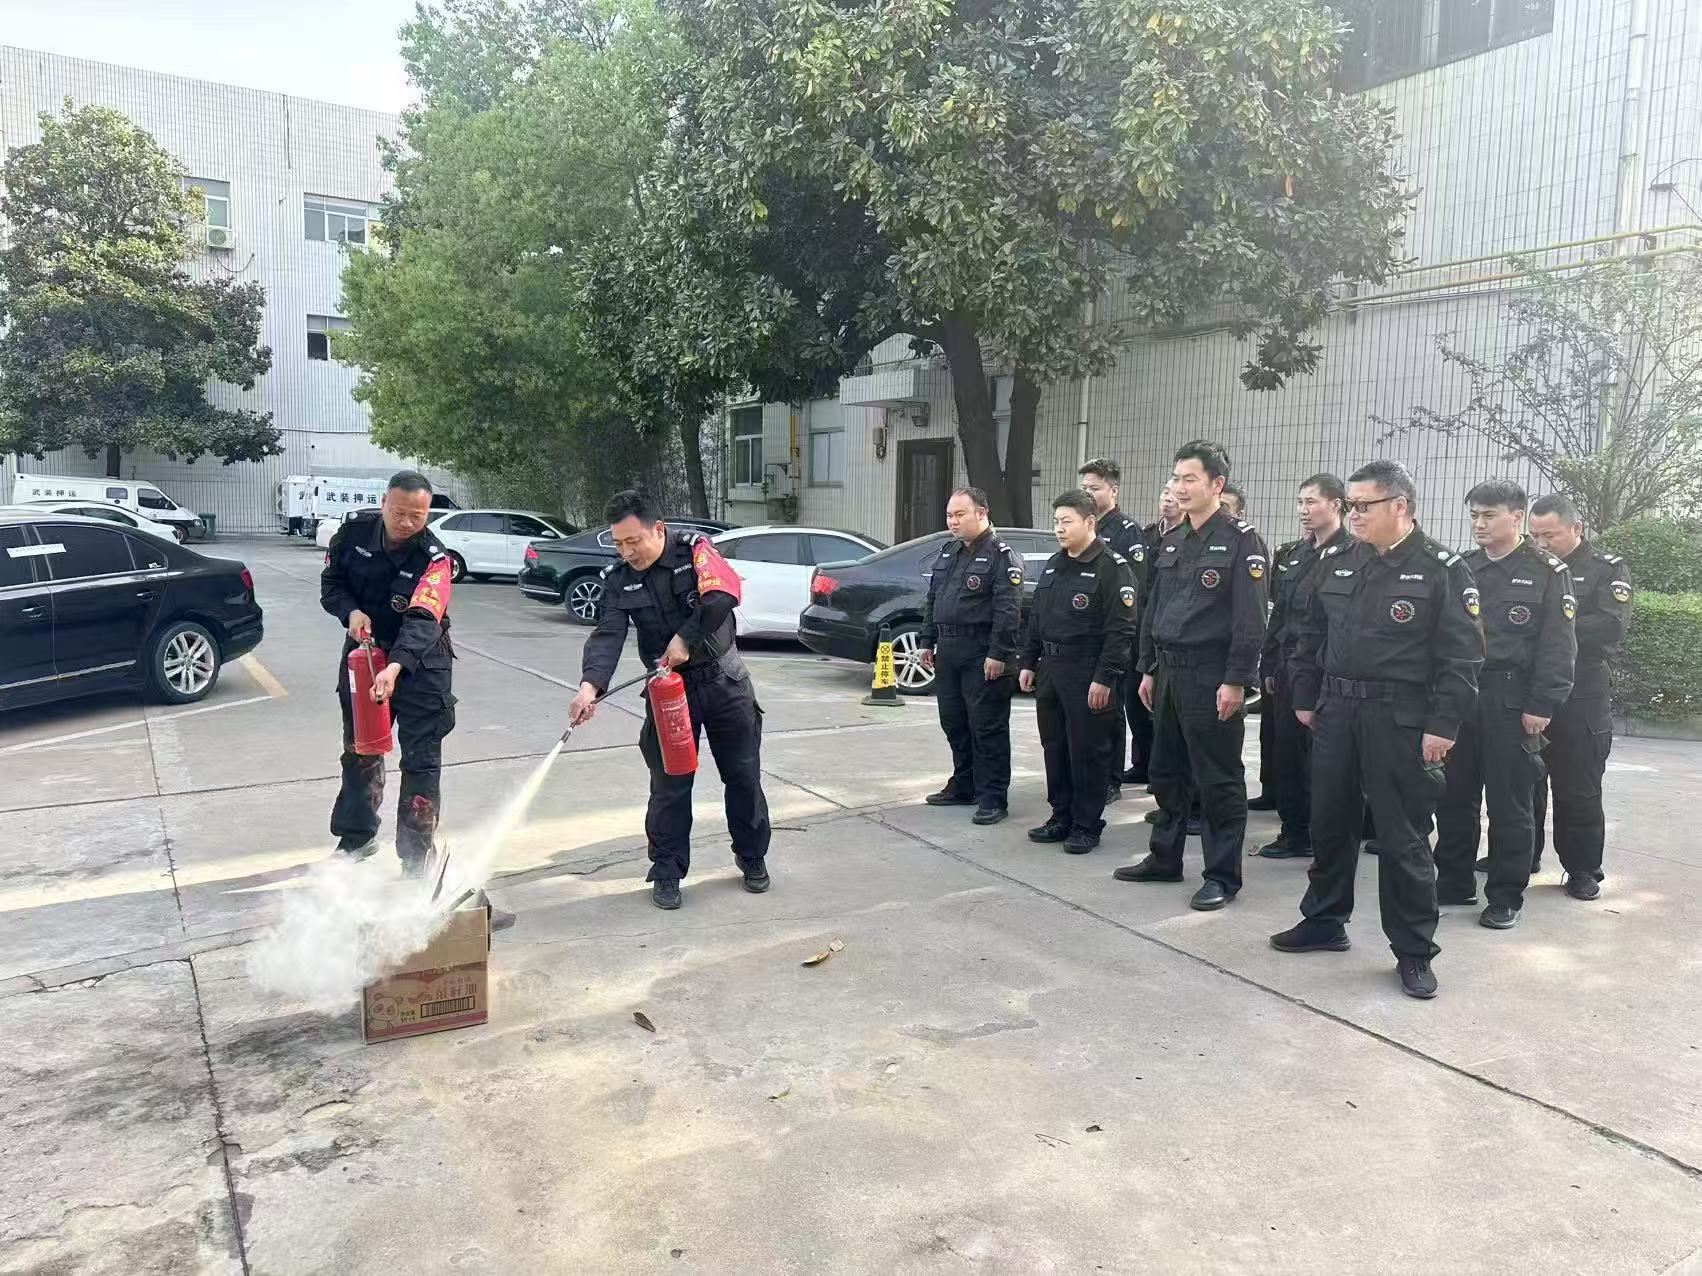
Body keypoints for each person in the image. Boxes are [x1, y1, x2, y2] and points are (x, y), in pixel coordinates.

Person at [1270, 460, 1482, 999]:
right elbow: (1309, 632)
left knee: (1402, 837)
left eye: (1363, 505)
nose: (1353, 514)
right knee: (1329, 822)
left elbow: (1462, 657)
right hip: (1337, 712)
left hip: (1401, 717)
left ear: (1400, 506)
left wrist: (1443, 724)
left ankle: (1414, 950)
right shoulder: (1339, 560)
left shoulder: (1441, 568)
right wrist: (1305, 696)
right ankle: (1324, 920)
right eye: (1350, 505)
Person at [569, 490, 771, 910]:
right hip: (669, 694)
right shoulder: (619, 578)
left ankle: (752, 856)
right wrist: (590, 686)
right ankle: (667, 870)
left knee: (743, 776)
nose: (627, 552)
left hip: (724, 683)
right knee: (669, 785)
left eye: (634, 541)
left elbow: (722, 595)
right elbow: (608, 634)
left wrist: (685, 638)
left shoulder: (694, 551)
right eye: (619, 544)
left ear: (657, 529)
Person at [1114, 440, 1269, 911]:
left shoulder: (1242, 541)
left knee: (1218, 779)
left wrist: (1237, 680)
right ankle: (1165, 857)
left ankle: (1222, 875)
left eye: (1190, 479)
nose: (1180, 488)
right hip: (1168, 673)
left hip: (1211, 675)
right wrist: (1148, 668)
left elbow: (1251, 619)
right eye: (1176, 478)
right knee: (1167, 772)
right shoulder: (1172, 539)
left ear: (1217, 485)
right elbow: (1153, 608)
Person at [1432, 481, 1575, 929]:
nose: (1479, 524)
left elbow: (1558, 645)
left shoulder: (1546, 571)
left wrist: (1543, 703)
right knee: (1453, 796)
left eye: (1489, 515)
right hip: (1462, 695)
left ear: (1516, 518)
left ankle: (1506, 895)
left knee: (1510, 803)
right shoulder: (1462, 567)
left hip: (1512, 700)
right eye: (1474, 515)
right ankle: (1453, 880)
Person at [320, 471, 457, 874]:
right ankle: (356, 838)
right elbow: (332, 585)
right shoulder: (353, 533)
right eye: (399, 513)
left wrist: (396, 666)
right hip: (364, 654)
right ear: (383, 504)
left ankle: (416, 859)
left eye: (418, 515)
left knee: (420, 760)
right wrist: (350, 612)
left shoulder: (435, 558)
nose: (408, 522)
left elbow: (424, 618)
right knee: (361, 747)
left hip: (421, 663)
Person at [1019, 489, 1139, 853]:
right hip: (1052, 670)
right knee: (1054, 746)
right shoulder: (1056, 563)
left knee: (1087, 750)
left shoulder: (1112, 567)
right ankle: (1061, 816)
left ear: (1089, 522)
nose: (1059, 528)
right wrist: (1028, 661)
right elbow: (1037, 617)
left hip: (1088, 671)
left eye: (1066, 521)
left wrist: (1105, 677)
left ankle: (1086, 824)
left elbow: (1121, 631)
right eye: (1056, 522)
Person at [1527, 494, 1632, 900]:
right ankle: (1523, 855)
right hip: (1533, 688)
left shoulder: (1606, 569)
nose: (1541, 544)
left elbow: (1609, 625)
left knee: (1578, 786)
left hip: (1581, 692)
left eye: (1550, 535)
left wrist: (1551, 627)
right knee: (1525, 780)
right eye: (1535, 536)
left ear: (1576, 528)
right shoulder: (1529, 566)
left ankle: (1583, 868)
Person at [1256, 473, 1352, 859]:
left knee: (1320, 760)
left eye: (1311, 502)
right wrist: (1268, 664)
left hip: (1323, 672)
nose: (1303, 510)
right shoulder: (1294, 555)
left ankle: (1321, 834)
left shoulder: (1352, 554)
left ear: (1336, 505)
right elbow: (1278, 614)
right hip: (1287, 668)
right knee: (1287, 753)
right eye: (1300, 502)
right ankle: (1294, 830)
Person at [920, 487, 1025, 825]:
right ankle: (964, 784)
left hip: (982, 652)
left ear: (981, 513)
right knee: (954, 721)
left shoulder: (1002, 556)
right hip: (949, 649)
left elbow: (1008, 611)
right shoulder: (949, 551)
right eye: (949, 515)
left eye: (959, 514)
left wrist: (999, 653)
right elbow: (933, 599)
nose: (952, 521)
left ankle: (993, 796)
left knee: (987, 726)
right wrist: (926, 640)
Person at [1077, 458, 1151, 805]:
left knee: (1113, 706)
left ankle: (1111, 778)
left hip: (1116, 634)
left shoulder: (1126, 531)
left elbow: (1134, 588)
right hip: (1086, 635)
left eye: (1094, 488)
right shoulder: (1083, 526)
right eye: (1084, 488)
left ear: (1113, 490)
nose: (1088, 493)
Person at [1131, 484, 1183, 791]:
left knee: (1165, 716)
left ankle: (1162, 776)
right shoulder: (1147, 535)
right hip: (1145, 625)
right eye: (1165, 493)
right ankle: (1144, 766)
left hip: (1172, 633)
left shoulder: (1188, 538)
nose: (1168, 499)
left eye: (1174, 494)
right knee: (1138, 704)